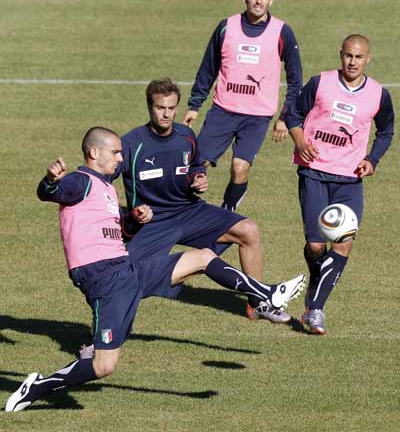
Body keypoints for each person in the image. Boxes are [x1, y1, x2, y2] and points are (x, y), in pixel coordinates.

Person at [5, 126, 305, 412]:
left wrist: (135, 220)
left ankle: (267, 293)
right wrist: (50, 180)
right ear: (94, 152)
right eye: (117, 152)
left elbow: (120, 233)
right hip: (104, 280)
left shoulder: (106, 189)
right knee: (103, 366)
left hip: (126, 269)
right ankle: (37, 388)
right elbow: (50, 192)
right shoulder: (81, 181)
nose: (122, 158)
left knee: (201, 257)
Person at [116, 77, 293, 324]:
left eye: (171, 108)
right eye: (160, 108)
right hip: (152, 223)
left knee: (249, 230)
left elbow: (195, 166)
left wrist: (197, 178)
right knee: (122, 281)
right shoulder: (131, 144)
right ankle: (103, 340)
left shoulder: (186, 136)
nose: (166, 114)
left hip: (189, 211)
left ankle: (259, 303)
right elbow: (104, 178)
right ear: (149, 107)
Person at [286, 34, 394, 335]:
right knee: (316, 244)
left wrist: (372, 159)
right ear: (341, 55)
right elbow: (292, 113)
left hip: (349, 178)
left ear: (368, 59)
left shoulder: (378, 94)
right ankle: (317, 280)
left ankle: (316, 309)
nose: (352, 62)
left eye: (359, 57)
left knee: (343, 242)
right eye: (348, 56)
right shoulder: (320, 83)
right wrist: (300, 140)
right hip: (314, 171)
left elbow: (386, 131)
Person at [183, 0, 302, 212]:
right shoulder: (226, 27)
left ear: (272, 0)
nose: (259, 0)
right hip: (223, 111)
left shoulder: (282, 32)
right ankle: (187, 211)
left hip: (257, 118)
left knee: (240, 167)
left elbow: (295, 80)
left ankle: (228, 211)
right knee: (196, 165)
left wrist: (285, 117)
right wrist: (195, 105)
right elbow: (208, 67)